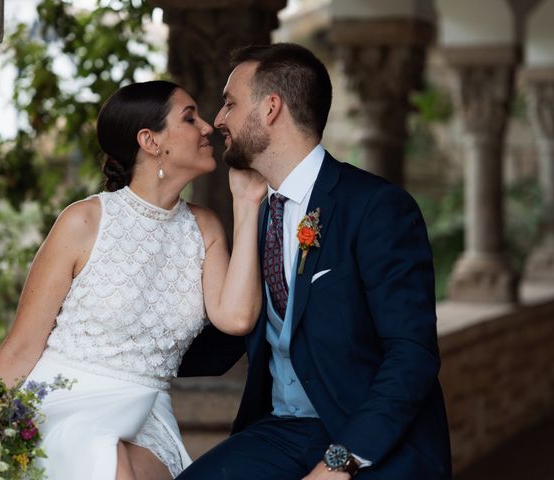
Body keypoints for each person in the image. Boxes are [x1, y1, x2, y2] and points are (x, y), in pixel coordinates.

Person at [175, 43, 452, 479]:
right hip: (284, 431)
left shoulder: (377, 207)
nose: (219, 119)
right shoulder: (260, 209)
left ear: (270, 108)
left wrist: (341, 461)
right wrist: (131, 352)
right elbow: (233, 333)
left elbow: (412, 355)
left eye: (230, 103)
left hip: (373, 437)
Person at [0, 80, 267, 480]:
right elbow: (20, 348)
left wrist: (246, 202)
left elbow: (237, 319)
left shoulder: (204, 227)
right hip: (61, 398)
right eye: (190, 118)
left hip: (146, 412)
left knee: (113, 459)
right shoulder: (83, 221)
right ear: (150, 141)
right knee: (100, 454)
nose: (207, 127)